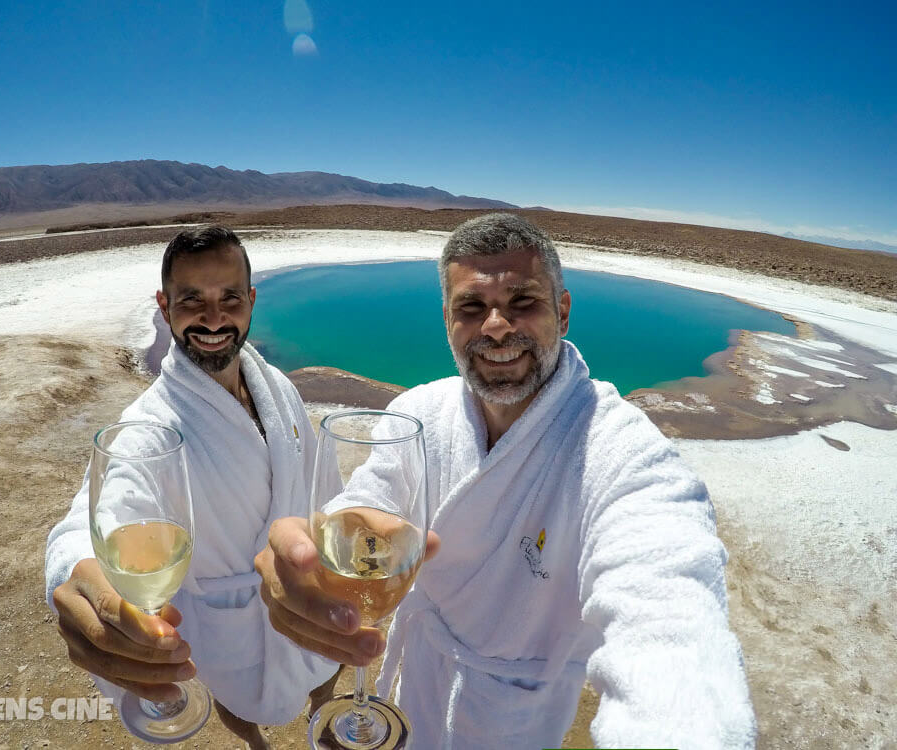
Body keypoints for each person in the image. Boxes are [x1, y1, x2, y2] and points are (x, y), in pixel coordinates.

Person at [255, 213, 758, 749]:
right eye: (471, 308)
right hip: (413, 685)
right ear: (447, 318)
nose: (496, 326)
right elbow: (375, 494)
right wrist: (329, 540)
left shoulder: (623, 456)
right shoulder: (418, 412)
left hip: (512, 723)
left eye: (524, 302)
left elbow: (668, 618)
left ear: (562, 312)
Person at [45, 225, 339, 749]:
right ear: (163, 306)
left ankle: (327, 716)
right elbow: (109, 509)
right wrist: (73, 566)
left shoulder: (278, 387)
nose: (212, 318)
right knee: (235, 698)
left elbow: (320, 478)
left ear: (250, 301)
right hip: (232, 623)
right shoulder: (151, 424)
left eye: (229, 298)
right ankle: (255, 742)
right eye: (191, 301)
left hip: (304, 591)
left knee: (325, 666)